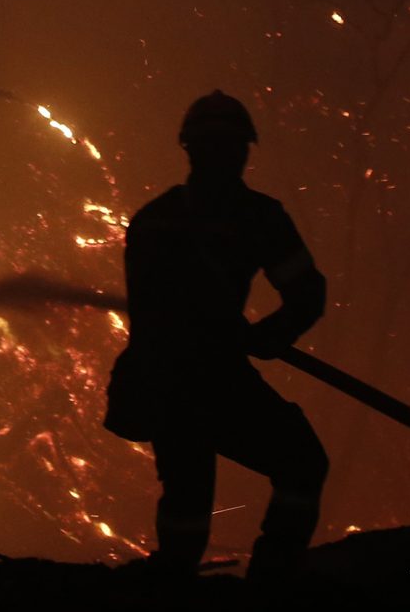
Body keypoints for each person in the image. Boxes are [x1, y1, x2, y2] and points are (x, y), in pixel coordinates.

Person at [104, 90, 329, 578]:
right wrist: (270, 335)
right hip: (201, 377)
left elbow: (305, 293)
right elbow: (307, 295)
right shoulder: (258, 217)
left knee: (189, 496)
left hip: (168, 378)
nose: (226, 156)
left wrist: (265, 335)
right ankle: (271, 577)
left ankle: (178, 582)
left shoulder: (155, 219)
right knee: (300, 464)